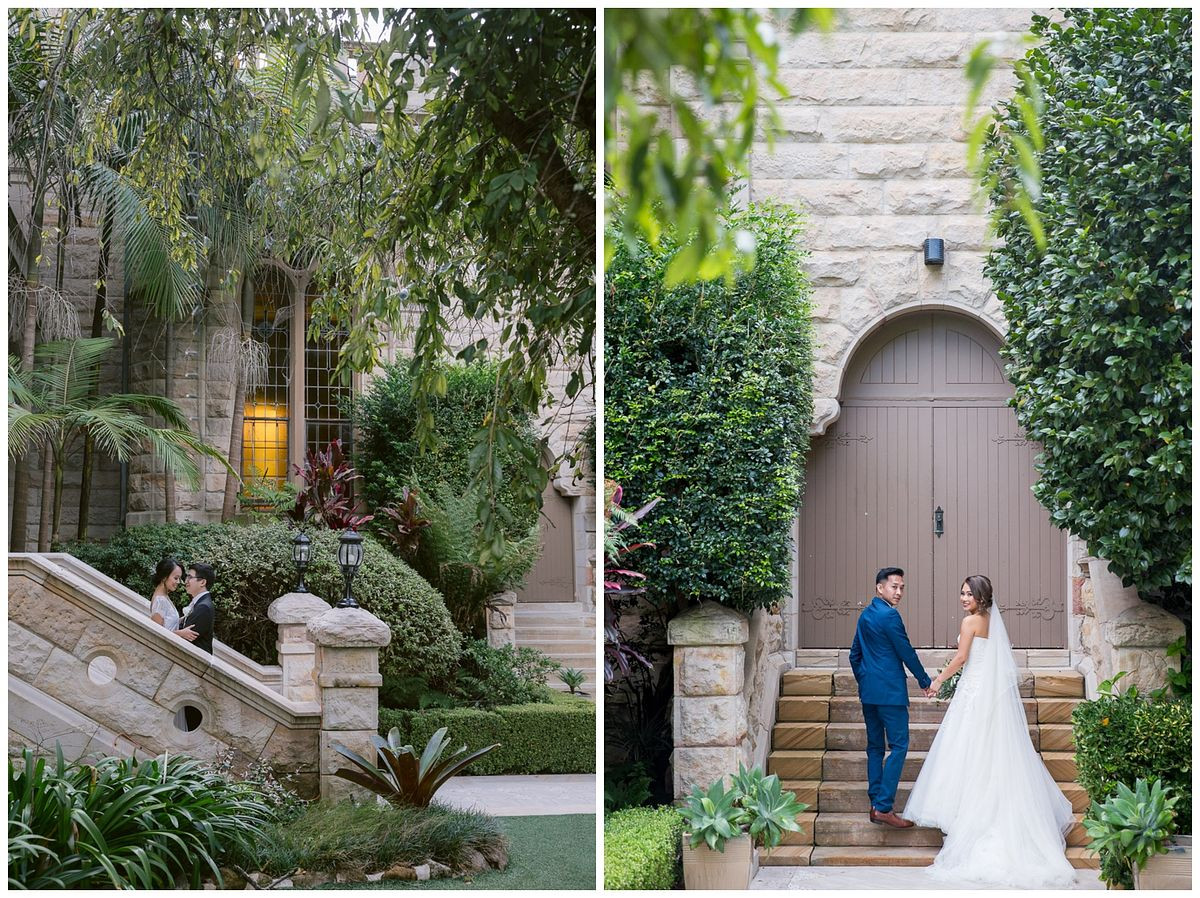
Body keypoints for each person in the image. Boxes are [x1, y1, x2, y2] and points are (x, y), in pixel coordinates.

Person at [903, 575, 1076, 888]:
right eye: (962, 592)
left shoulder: (971, 622)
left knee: (969, 749)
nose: (963, 598)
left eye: (969, 594)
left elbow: (961, 658)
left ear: (981, 597)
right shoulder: (993, 622)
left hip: (973, 691)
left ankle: (969, 817)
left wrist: (938, 681)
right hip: (988, 693)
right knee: (986, 749)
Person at [849, 567, 933, 829]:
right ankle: (884, 807)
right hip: (890, 694)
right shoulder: (890, 616)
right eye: (894, 586)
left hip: (869, 693)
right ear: (879, 587)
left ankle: (875, 802)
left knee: (875, 747)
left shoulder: (866, 615)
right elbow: (905, 652)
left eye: (901, 588)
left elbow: (855, 656)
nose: (898, 592)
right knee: (899, 745)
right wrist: (925, 681)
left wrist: (865, 679)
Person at [148, 557, 198, 643]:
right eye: (176, 578)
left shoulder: (164, 596)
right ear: (164, 577)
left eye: (179, 578)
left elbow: (167, 623)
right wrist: (181, 633)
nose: (178, 582)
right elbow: (157, 633)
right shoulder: (160, 601)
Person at [179, 562, 216, 655]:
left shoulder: (204, 607)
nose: (186, 581)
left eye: (190, 577)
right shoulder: (199, 602)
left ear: (202, 582)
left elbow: (187, 637)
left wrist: (177, 633)